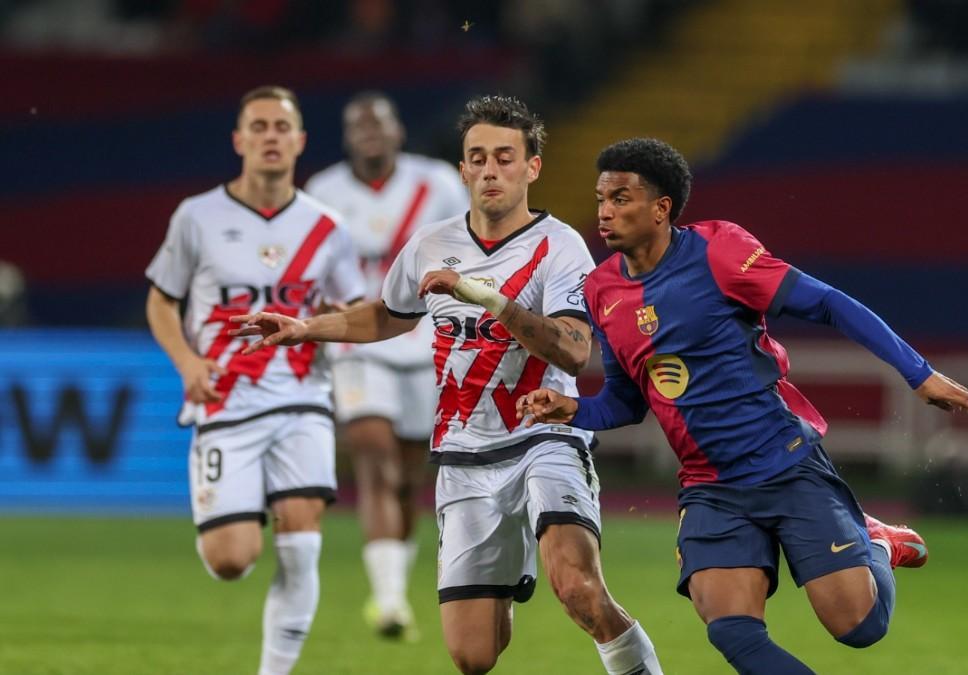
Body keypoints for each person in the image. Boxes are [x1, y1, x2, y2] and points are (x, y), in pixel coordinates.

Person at [230, 96, 663, 675]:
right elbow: (388, 314)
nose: (490, 170)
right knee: (472, 654)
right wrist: (305, 327)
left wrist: (485, 296)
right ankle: (514, 561)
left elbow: (573, 347)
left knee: (579, 589)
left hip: (545, 439)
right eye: (477, 157)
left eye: (505, 158)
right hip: (464, 454)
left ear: (531, 167)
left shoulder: (559, 246)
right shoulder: (430, 244)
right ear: (462, 169)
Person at [518, 138, 968, 674]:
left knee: (859, 628)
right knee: (732, 629)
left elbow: (828, 303)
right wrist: (572, 409)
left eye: (622, 198)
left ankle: (875, 542)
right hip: (710, 487)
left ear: (661, 208)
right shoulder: (601, 290)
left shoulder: (720, 251)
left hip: (783, 461)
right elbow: (626, 402)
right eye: (601, 198)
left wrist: (918, 374)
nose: (605, 211)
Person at [145, 86, 365, 675]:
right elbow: (161, 302)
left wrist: (326, 330)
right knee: (231, 559)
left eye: (281, 127)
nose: (271, 136)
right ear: (240, 140)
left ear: (299, 141)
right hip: (225, 400)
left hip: (302, 401)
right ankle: (239, 512)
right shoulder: (197, 216)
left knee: (301, 541)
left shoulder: (328, 228)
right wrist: (188, 365)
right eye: (259, 126)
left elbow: (356, 309)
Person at [306, 91, 469, 640]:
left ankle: (396, 586)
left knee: (408, 479)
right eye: (359, 126)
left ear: (400, 131)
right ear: (348, 137)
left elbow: (466, 253)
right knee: (374, 462)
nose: (370, 134)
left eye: (380, 124)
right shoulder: (322, 194)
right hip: (360, 344)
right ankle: (390, 600)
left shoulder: (439, 183)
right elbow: (311, 272)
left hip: (427, 345)